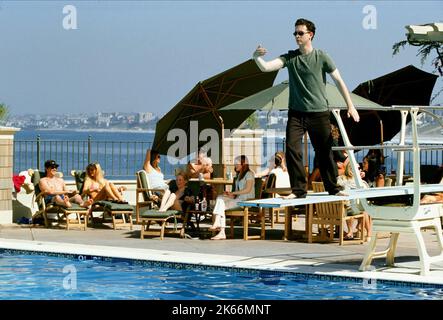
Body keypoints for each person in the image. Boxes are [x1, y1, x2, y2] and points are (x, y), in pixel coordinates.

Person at [253, 18, 360, 198]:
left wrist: (350, 105)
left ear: (310, 35)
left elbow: (339, 80)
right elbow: (266, 67)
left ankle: (333, 188)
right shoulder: (290, 57)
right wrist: (256, 57)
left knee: (324, 152)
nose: (297, 36)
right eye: (295, 33)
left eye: (300, 33)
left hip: (319, 113)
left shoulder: (322, 57)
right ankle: (299, 190)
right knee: (292, 149)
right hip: (296, 114)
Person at [209, 155, 255, 240]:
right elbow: (238, 192)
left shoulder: (249, 174)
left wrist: (234, 192)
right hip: (238, 199)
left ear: (243, 163)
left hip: (246, 201)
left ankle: (219, 227)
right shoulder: (239, 175)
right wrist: (230, 194)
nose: (235, 165)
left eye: (237, 163)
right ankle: (220, 229)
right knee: (220, 198)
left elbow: (247, 190)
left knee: (221, 204)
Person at [337, 162, 372, 241]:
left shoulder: (340, 178)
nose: (361, 170)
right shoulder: (359, 182)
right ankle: (369, 233)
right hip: (350, 208)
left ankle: (350, 231)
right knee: (365, 209)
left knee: (359, 207)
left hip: (341, 208)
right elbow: (367, 193)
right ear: (352, 170)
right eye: (358, 168)